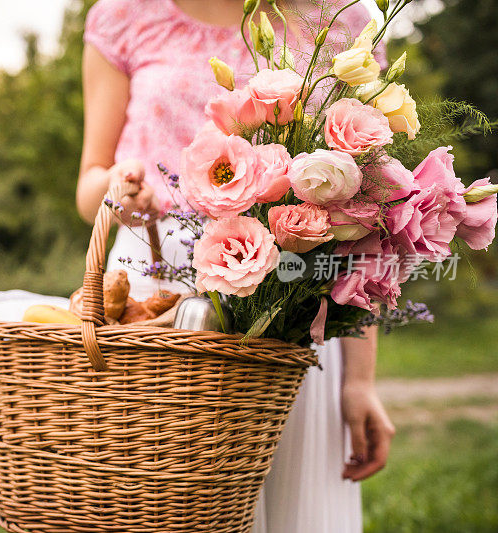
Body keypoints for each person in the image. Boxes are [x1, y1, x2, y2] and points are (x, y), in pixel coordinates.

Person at [76, 0, 396, 531]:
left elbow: (366, 208)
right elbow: (90, 185)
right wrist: (118, 188)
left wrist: (360, 380)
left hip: (292, 286)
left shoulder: (343, 19)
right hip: (158, 283)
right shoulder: (124, 14)